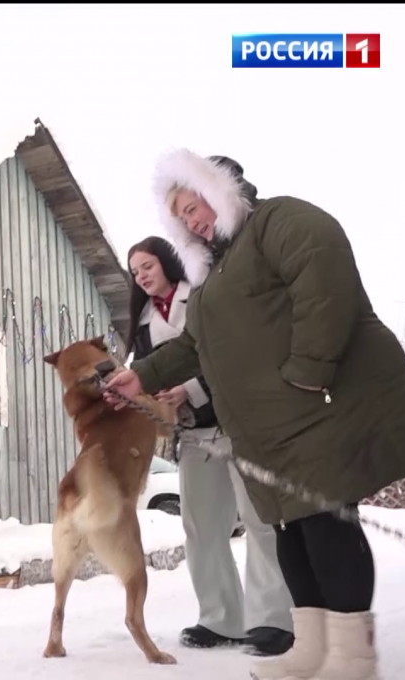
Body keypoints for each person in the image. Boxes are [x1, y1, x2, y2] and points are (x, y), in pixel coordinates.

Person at [105, 150, 405, 680]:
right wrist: (142, 376)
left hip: (315, 411)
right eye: (181, 216)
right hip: (269, 431)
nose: (192, 220)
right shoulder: (212, 278)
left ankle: (352, 657)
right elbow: (193, 345)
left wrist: (309, 370)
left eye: (195, 204)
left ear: (222, 188)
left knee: (324, 527)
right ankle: (314, 647)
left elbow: (323, 269)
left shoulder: (278, 221)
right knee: (290, 532)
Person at [127, 236, 295, 656]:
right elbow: (145, 374)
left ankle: (274, 621)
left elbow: (231, 356)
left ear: (168, 262)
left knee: (259, 520)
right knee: (200, 525)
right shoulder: (144, 321)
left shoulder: (202, 297)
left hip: (236, 424)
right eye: (134, 271)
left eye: (146, 265)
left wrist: (190, 391)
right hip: (193, 435)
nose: (141, 276)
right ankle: (220, 619)